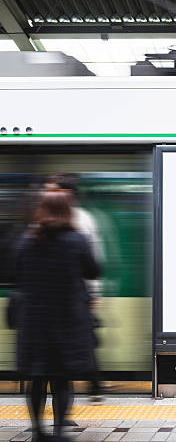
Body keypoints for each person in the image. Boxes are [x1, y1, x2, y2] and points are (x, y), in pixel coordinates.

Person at [13, 190, 100, 441]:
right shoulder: (77, 240)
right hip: (66, 321)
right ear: (67, 210)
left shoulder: (26, 240)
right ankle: (60, 430)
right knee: (62, 379)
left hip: (34, 323)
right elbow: (94, 271)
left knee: (37, 379)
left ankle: (39, 431)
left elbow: (14, 273)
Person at [46, 173, 105, 404]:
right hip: (57, 296)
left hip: (75, 294)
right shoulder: (43, 219)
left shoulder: (83, 219)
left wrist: (93, 291)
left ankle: (93, 384)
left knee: (83, 339)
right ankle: (83, 386)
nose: (47, 194)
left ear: (67, 193)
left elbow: (93, 259)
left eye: (52, 189)